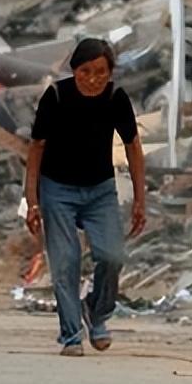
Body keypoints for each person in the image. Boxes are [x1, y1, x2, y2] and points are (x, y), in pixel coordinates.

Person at [24, 38, 147, 357]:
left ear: (110, 72)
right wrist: (32, 200)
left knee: (112, 256)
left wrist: (139, 199)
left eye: (101, 72)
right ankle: (70, 335)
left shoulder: (115, 98)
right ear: (74, 70)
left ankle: (97, 310)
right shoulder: (56, 97)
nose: (93, 79)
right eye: (85, 71)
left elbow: (133, 147)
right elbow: (36, 148)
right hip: (57, 189)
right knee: (65, 263)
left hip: (100, 190)